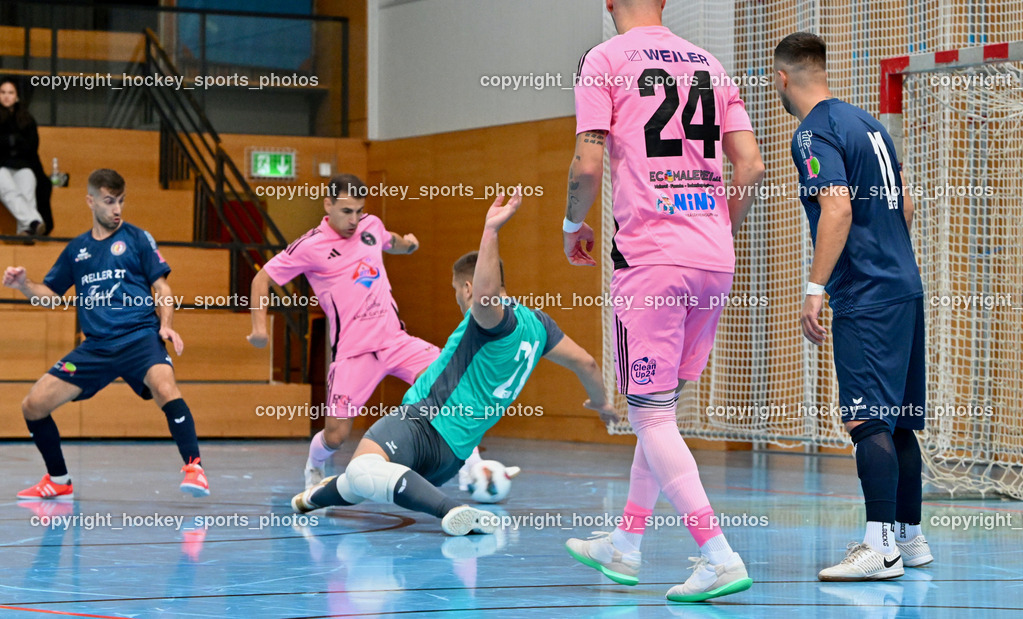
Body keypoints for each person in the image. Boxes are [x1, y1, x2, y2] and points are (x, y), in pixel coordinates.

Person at [560, 0, 766, 603]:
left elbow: (587, 164)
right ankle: (626, 540)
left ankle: (717, 552)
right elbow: (753, 166)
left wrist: (572, 226)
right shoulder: (710, 64)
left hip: (652, 259)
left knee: (649, 414)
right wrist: (718, 226)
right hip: (714, 257)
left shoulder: (605, 60)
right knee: (662, 410)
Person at [291, 191, 618, 535]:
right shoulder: (541, 327)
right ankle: (310, 499)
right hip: (451, 457)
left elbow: (487, 295)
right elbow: (588, 364)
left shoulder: (491, 319)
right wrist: (601, 403)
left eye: (455, 290)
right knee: (365, 478)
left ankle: (453, 511)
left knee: (363, 473)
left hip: (420, 425)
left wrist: (491, 230)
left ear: (466, 288)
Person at [774, 31, 931, 580]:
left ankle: (879, 548)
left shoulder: (812, 133)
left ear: (783, 78)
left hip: (866, 296)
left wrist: (816, 287)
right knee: (901, 420)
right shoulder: (871, 125)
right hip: (905, 286)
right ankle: (908, 539)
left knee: (867, 420)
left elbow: (836, 208)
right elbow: (907, 202)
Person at [3, 168, 207, 499]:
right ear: (91, 200)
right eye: (109, 201)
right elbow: (51, 296)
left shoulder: (138, 239)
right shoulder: (77, 250)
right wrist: (24, 284)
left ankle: (194, 468)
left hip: (139, 337)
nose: (117, 209)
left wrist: (166, 324)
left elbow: (162, 287)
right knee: (33, 405)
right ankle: (58, 480)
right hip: (95, 348)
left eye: (121, 201)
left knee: (164, 385)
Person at [248, 173, 440, 488]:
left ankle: (475, 469)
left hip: (395, 340)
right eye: (346, 211)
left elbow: (391, 240)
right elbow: (261, 279)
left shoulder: (371, 226)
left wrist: (409, 246)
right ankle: (314, 465)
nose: (354, 219)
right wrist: (259, 328)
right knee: (336, 436)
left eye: (359, 211)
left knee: (446, 379)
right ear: (328, 204)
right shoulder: (310, 246)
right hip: (353, 353)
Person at [0, 78, 53, 236]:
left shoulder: (27, 119)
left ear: (17, 96)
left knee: (28, 184)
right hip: (1, 166)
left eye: (10, 92)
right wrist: (14, 142)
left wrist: (9, 143)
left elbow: (31, 147)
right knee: (8, 189)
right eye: (2, 92)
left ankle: (25, 232)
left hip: (23, 165)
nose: (6, 96)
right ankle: (33, 222)